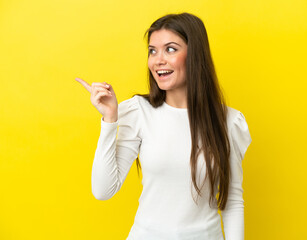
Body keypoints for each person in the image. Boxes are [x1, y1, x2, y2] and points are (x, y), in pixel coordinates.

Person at [76, 12, 251, 240]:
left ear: (195, 55)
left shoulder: (228, 121)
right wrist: (110, 119)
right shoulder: (139, 112)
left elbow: (233, 200)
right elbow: (103, 191)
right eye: (152, 50)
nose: (157, 60)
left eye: (170, 49)